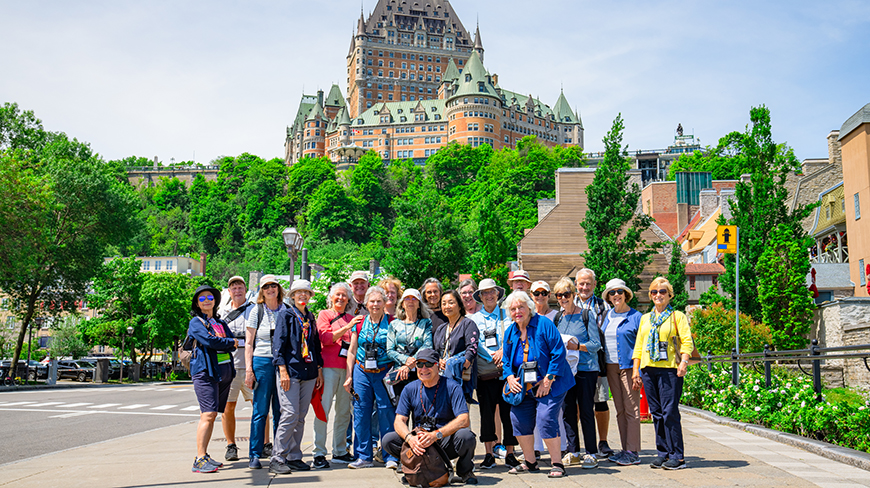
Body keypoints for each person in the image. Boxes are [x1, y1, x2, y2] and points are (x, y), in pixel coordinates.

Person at [502, 291, 574, 478]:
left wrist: (548, 380)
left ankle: (557, 463)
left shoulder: (544, 324)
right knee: (518, 419)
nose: (517, 311)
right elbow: (507, 361)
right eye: (513, 309)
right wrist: (509, 377)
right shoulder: (510, 331)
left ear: (529, 308)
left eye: (521, 307)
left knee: (545, 418)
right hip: (525, 386)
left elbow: (558, 353)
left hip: (552, 382)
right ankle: (530, 462)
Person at [381, 349, 478, 485]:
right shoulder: (409, 388)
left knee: (466, 436)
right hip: (420, 442)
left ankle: (465, 471)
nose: (424, 369)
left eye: (429, 364)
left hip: (442, 440)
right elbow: (399, 421)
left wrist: (435, 435)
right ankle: (413, 469)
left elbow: (464, 419)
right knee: (388, 440)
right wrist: (410, 439)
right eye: (420, 365)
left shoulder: (452, 386)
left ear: (437, 365)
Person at [632, 277, 693, 470]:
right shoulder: (645, 318)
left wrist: (683, 362)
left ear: (669, 295)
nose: (658, 295)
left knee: (669, 412)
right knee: (656, 413)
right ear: (650, 295)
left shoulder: (677, 316)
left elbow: (686, 342)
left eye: (662, 292)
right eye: (654, 292)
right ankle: (663, 453)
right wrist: (636, 371)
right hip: (649, 370)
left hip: (669, 370)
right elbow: (639, 347)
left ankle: (678, 456)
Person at [269, 279, 324, 474]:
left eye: (306, 292)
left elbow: (316, 346)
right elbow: (279, 343)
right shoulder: (285, 314)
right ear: (292, 295)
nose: (302, 295)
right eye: (298, 292)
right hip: (290, 371)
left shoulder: (310, 316)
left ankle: (294, 456)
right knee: (290, 414)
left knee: (300, 416)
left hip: (308, 372)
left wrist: (318, 370)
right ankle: (277, 456)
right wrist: (281, 369)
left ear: (310, 296)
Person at [343, 286, 400, 469]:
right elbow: (351, 351)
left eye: (379, 301)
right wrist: (349, 375)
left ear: (384, 303)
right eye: (372, 301)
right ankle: (363, 456)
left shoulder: (393, 322)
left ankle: (390, 455)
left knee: (386, 412)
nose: (375, 304)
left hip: (384, 372)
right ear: (366, 303)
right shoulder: (358, 323)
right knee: (360, 412)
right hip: (361, 372)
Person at [188, 285, 239, 473]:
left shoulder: (220, 322)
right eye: (202, 298)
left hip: (223, 372)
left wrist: (227, 343)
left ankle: (205, 455)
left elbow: (233, 344)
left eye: (210, 297)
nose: (207, 300)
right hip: (206, 372)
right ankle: (199, 458)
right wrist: (227, 343)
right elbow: (211, 341)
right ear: (197, 303)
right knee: (207, 414)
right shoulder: (196, 322)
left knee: (213, 414)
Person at [469, 279, 519, 469]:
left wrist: (502, 353)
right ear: (480, 297)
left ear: (498, 294)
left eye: (492, 292)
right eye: (485, 293)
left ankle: (511, 452)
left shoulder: (508, 315)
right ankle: (489, 453)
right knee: (486, 415)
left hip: (507, 373)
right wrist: (492, 355)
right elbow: (476, 343)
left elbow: (513, 337)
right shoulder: (474, 319)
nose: (489, 296)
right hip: (486, 373)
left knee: (509, 414)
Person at [554, 277, 602, 469]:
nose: (563, 298)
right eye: (559, 295)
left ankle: (591, 452)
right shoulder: (558, 318)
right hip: (566, 371)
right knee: (568, 411)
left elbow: (596, 344)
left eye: (566, 294)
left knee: (586, 410)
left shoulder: (586, 315)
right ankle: (573, 450)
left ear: (573, 295)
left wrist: (578, 346)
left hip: (586, 369)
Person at [313, 282, 360, 469]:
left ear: (348, 298)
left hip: (346, 371)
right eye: (337, 295)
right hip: (328, 369)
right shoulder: (324, 315)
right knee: (322, 411)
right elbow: (325, 338)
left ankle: (340, 451)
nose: (340, 298)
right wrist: (347, 326)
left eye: (344, 295)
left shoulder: (352, 318)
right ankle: (318, 453)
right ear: (331, 297)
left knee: (343, 412)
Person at [244, 274, 285, 469]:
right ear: (262, 290)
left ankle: (278, 453)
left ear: (278, 289)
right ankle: (254, 453)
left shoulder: (286, 309)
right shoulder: (256, 311)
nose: (270, 289)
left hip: (281, 364)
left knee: (280, 411)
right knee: (260, 411)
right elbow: (249, 343)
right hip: (261, 361)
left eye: (273, 286)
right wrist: (249, 370)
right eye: (266, 286)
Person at [600, 278, 642, 466]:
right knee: (620, 409)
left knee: (632, 409)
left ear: (626, 294)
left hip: (628, 366)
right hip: (610, 366)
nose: (616, 295)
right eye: (612, 292)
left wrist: (637, 370)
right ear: (608, 297)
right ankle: (625, 449)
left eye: (619, 291)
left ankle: (632, 450)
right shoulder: (606, 316)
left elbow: (641, 346)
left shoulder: (636, 317)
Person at [574, 268, 614, 460]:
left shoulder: (603, 305)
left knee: (600, 401)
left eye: (588, 283)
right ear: (576, 284)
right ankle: (577, 443)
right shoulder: (568, 303)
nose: (584, 287)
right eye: (581, 283)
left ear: (595, 285)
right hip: (574, 363)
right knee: (577, 405)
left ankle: (603, 441)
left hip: (597, 362)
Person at [220, 276, 254, 462]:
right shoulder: (222, 311)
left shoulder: (254, 309)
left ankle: (264, 443)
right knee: (228, 407)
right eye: (233, 287)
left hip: (250, 365)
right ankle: (230, 444)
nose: (237, 290)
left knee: (259, 406)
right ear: (229, 290)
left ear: (245, 289)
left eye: (240, 287)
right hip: (229, 365)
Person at [386, 288, 433, 403]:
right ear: (402, 304)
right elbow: (390, 350)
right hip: (399, 374)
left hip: (420, 372)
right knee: (401, 412)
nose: (410, 301)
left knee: (419, 412)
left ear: (419, 305)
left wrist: (409, 366)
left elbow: (427, 346)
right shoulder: (394, 324)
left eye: (414, 299)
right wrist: (406, 360)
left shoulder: (426, 323)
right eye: (407, 298)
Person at [433, 290, 479, 403]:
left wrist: (460, 367)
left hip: (460, 378)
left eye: (451, 302)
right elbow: (435, 351)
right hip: (440, 378)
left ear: (459, 305)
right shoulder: (441, 328)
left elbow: (472, 349)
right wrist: (439, 360)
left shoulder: (468, 324)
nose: (447, 306)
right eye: (443, 303)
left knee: (460, 415)